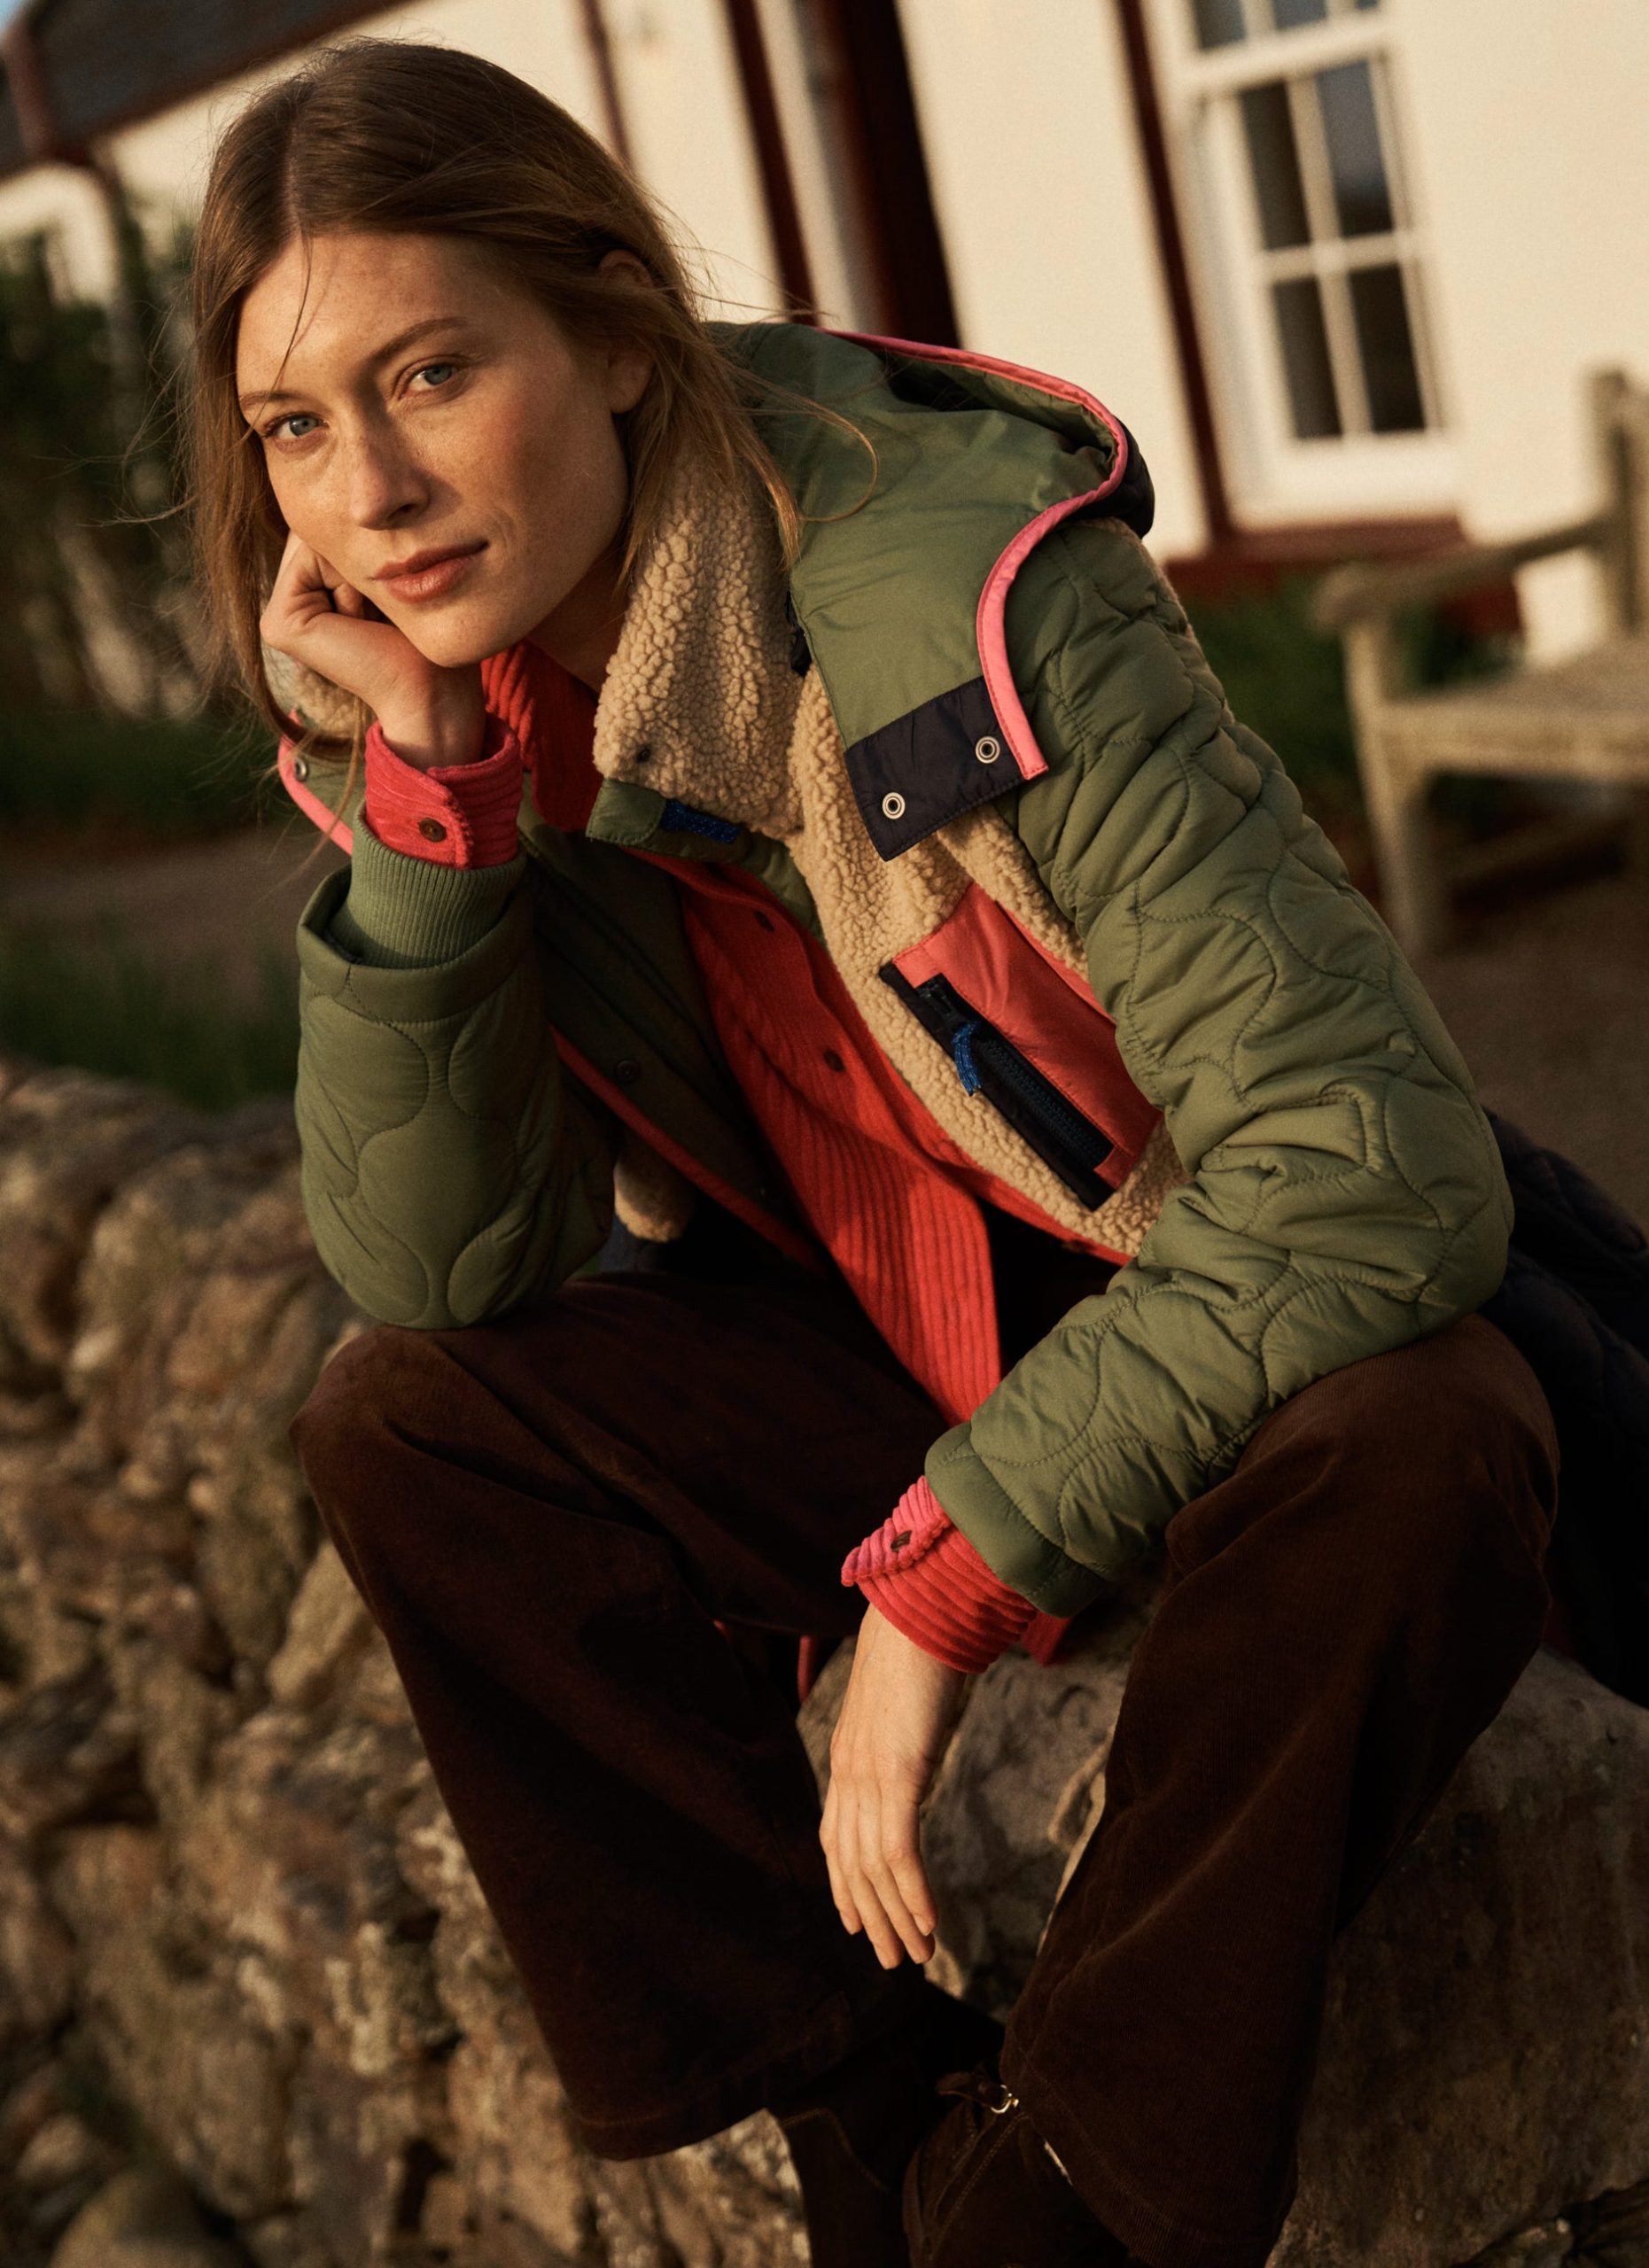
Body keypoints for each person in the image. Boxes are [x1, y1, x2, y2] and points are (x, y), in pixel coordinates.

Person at [185, 39, 1560, 2268]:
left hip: (1181, 1314)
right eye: (295, 427)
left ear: (617, 334)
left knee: (1440, 1440)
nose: (373, 491)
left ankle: (1051, 2205)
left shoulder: (967, 588)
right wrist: (429, 817)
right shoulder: (455, 701)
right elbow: (445, 1268)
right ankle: (874, 2114)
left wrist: (938, 1583)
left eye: (430, 372)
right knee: (403, 1419)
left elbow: (1367, 1167)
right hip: (887, 1344)